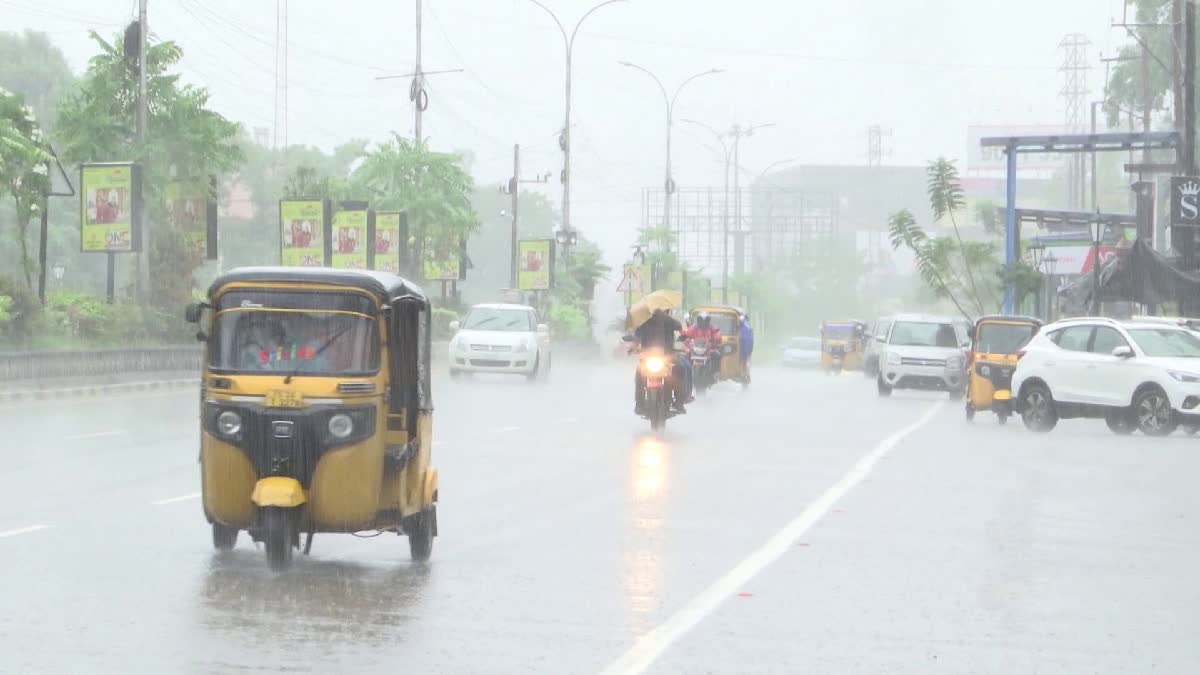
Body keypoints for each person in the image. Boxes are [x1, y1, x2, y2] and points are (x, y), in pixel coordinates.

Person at [632, 308, 692, 414]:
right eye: (656, 311)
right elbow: (637, 336)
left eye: (662, 311)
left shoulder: (669, 322)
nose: (658, 313)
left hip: (667, 357)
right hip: (647, 358)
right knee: (639, 374)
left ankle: (679, 401)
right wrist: (634, 345)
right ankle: (639, 403)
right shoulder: (644, 322)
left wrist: (667, 319)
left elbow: (679, 326)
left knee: (679, 369)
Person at [739, 312, 754, 383]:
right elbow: (752, 339)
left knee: (742, 362)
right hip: (749, 346)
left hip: (743, 345)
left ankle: (743, 375)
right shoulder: (749, 326)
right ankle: (747, 375)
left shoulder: (742, 323)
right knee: (747, 361)